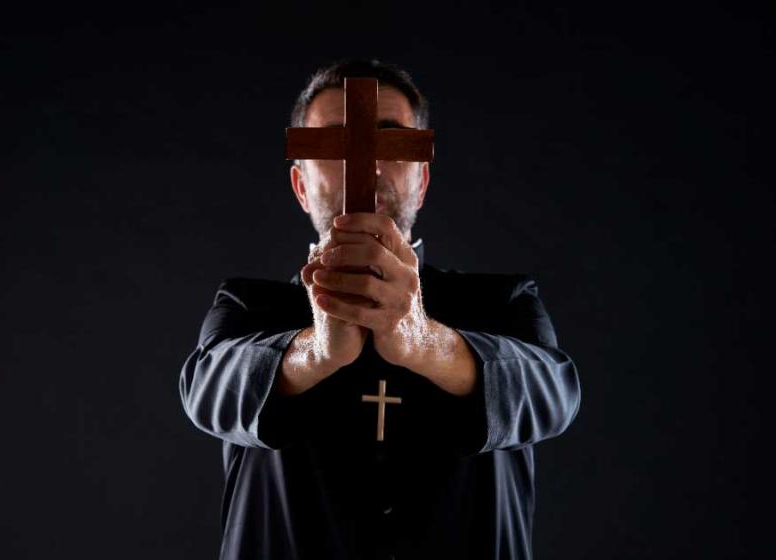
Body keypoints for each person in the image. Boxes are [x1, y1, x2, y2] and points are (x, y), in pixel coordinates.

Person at [180, 58, 581, 560]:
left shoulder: (503, 303)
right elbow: (207, 391)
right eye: (333, 144)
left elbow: (554, 394)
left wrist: (422, 342)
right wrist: (316, 351)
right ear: (301, 187)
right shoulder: (247, 307)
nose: (365, 164)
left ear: (423, 181)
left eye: (390, 142)